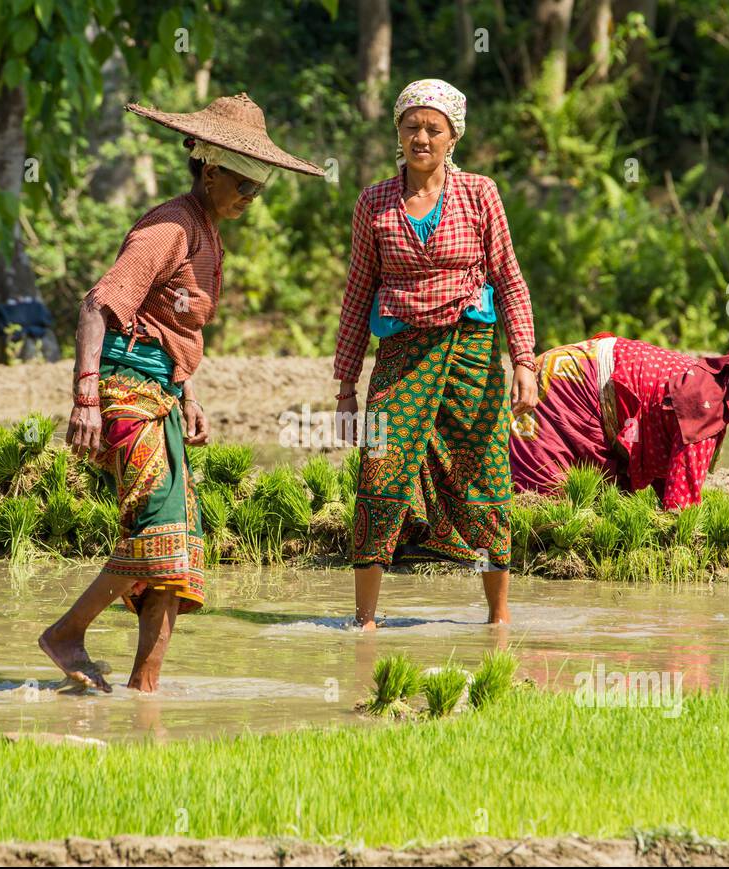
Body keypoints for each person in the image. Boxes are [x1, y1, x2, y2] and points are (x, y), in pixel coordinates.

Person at [39, 93, 323, 692]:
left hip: (162, 393)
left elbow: (172, 325)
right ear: (211, 169)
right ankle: (66, 633)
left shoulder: (207, 232)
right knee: (158, 535)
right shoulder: (167, 226)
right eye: (244, 185)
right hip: (126, 393)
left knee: (178, 556)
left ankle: (146, 691)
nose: (251, 198)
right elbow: (98, 304)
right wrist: (84, 397)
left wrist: (188, 394)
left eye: (260, 190)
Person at [333, 78, 539, 629]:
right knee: (380, 474)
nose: (421, 137)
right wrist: (345, 386)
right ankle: (365, 621)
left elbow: (510, 280)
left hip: (471, 353)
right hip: (399, 358)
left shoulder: (480, 193)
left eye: (433, 129)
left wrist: (524, 362)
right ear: (397, 133)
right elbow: (357, 293)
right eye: (411, 127)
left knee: (487, 475)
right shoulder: (374, 201)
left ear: (453, 138)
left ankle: (498, 618)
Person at [510, 333, 729, 510]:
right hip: (570, 383)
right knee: (542, 498)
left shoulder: (710, 389)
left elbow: (669, 474)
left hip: (577, 367)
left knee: (594, 500)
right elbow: (679, 505)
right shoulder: (706, 409)